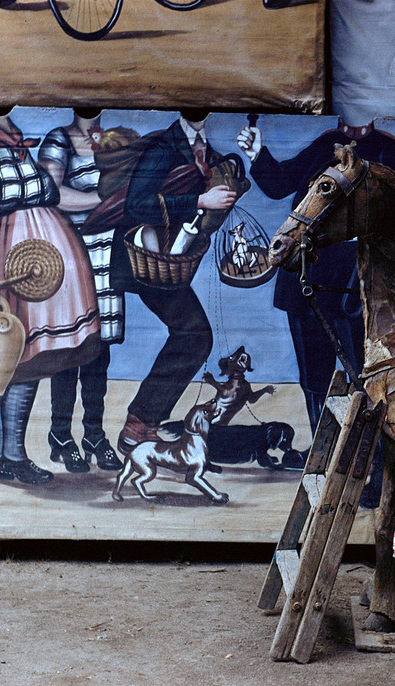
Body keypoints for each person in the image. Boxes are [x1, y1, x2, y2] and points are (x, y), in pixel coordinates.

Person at [0, 107, 101, 485]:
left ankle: (5, 453)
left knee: (29, 355)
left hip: (38, 256)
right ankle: (3, 452)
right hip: (0, 251)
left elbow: (49, 194)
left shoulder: (13, 132)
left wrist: (102, 198)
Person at [236, 118, 395, 432]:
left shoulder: (389, 148)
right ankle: (321, 452)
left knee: (363, 376)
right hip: (305, 277)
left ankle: (365, 456)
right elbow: (280, 184)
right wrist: (257, 154)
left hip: (354, 283)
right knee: (313, 376)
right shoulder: (325, 142)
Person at [111, 109, 240, 451]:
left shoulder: (204, 149)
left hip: (170, 255)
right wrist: (199, 200)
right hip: (144, 258)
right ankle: (138, 425)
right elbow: (137, 205)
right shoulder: (163, 148)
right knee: (194, 334)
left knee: (194, 335)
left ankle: (143, 424)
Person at [39, 108, 124, 473]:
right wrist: (105, 200)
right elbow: (50, 193)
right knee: (71, 348)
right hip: (73, 253)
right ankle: (60, 434)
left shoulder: (112, 139)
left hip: (108, 252)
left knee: (99, 350)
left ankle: (93, 434)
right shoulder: (59, 139)